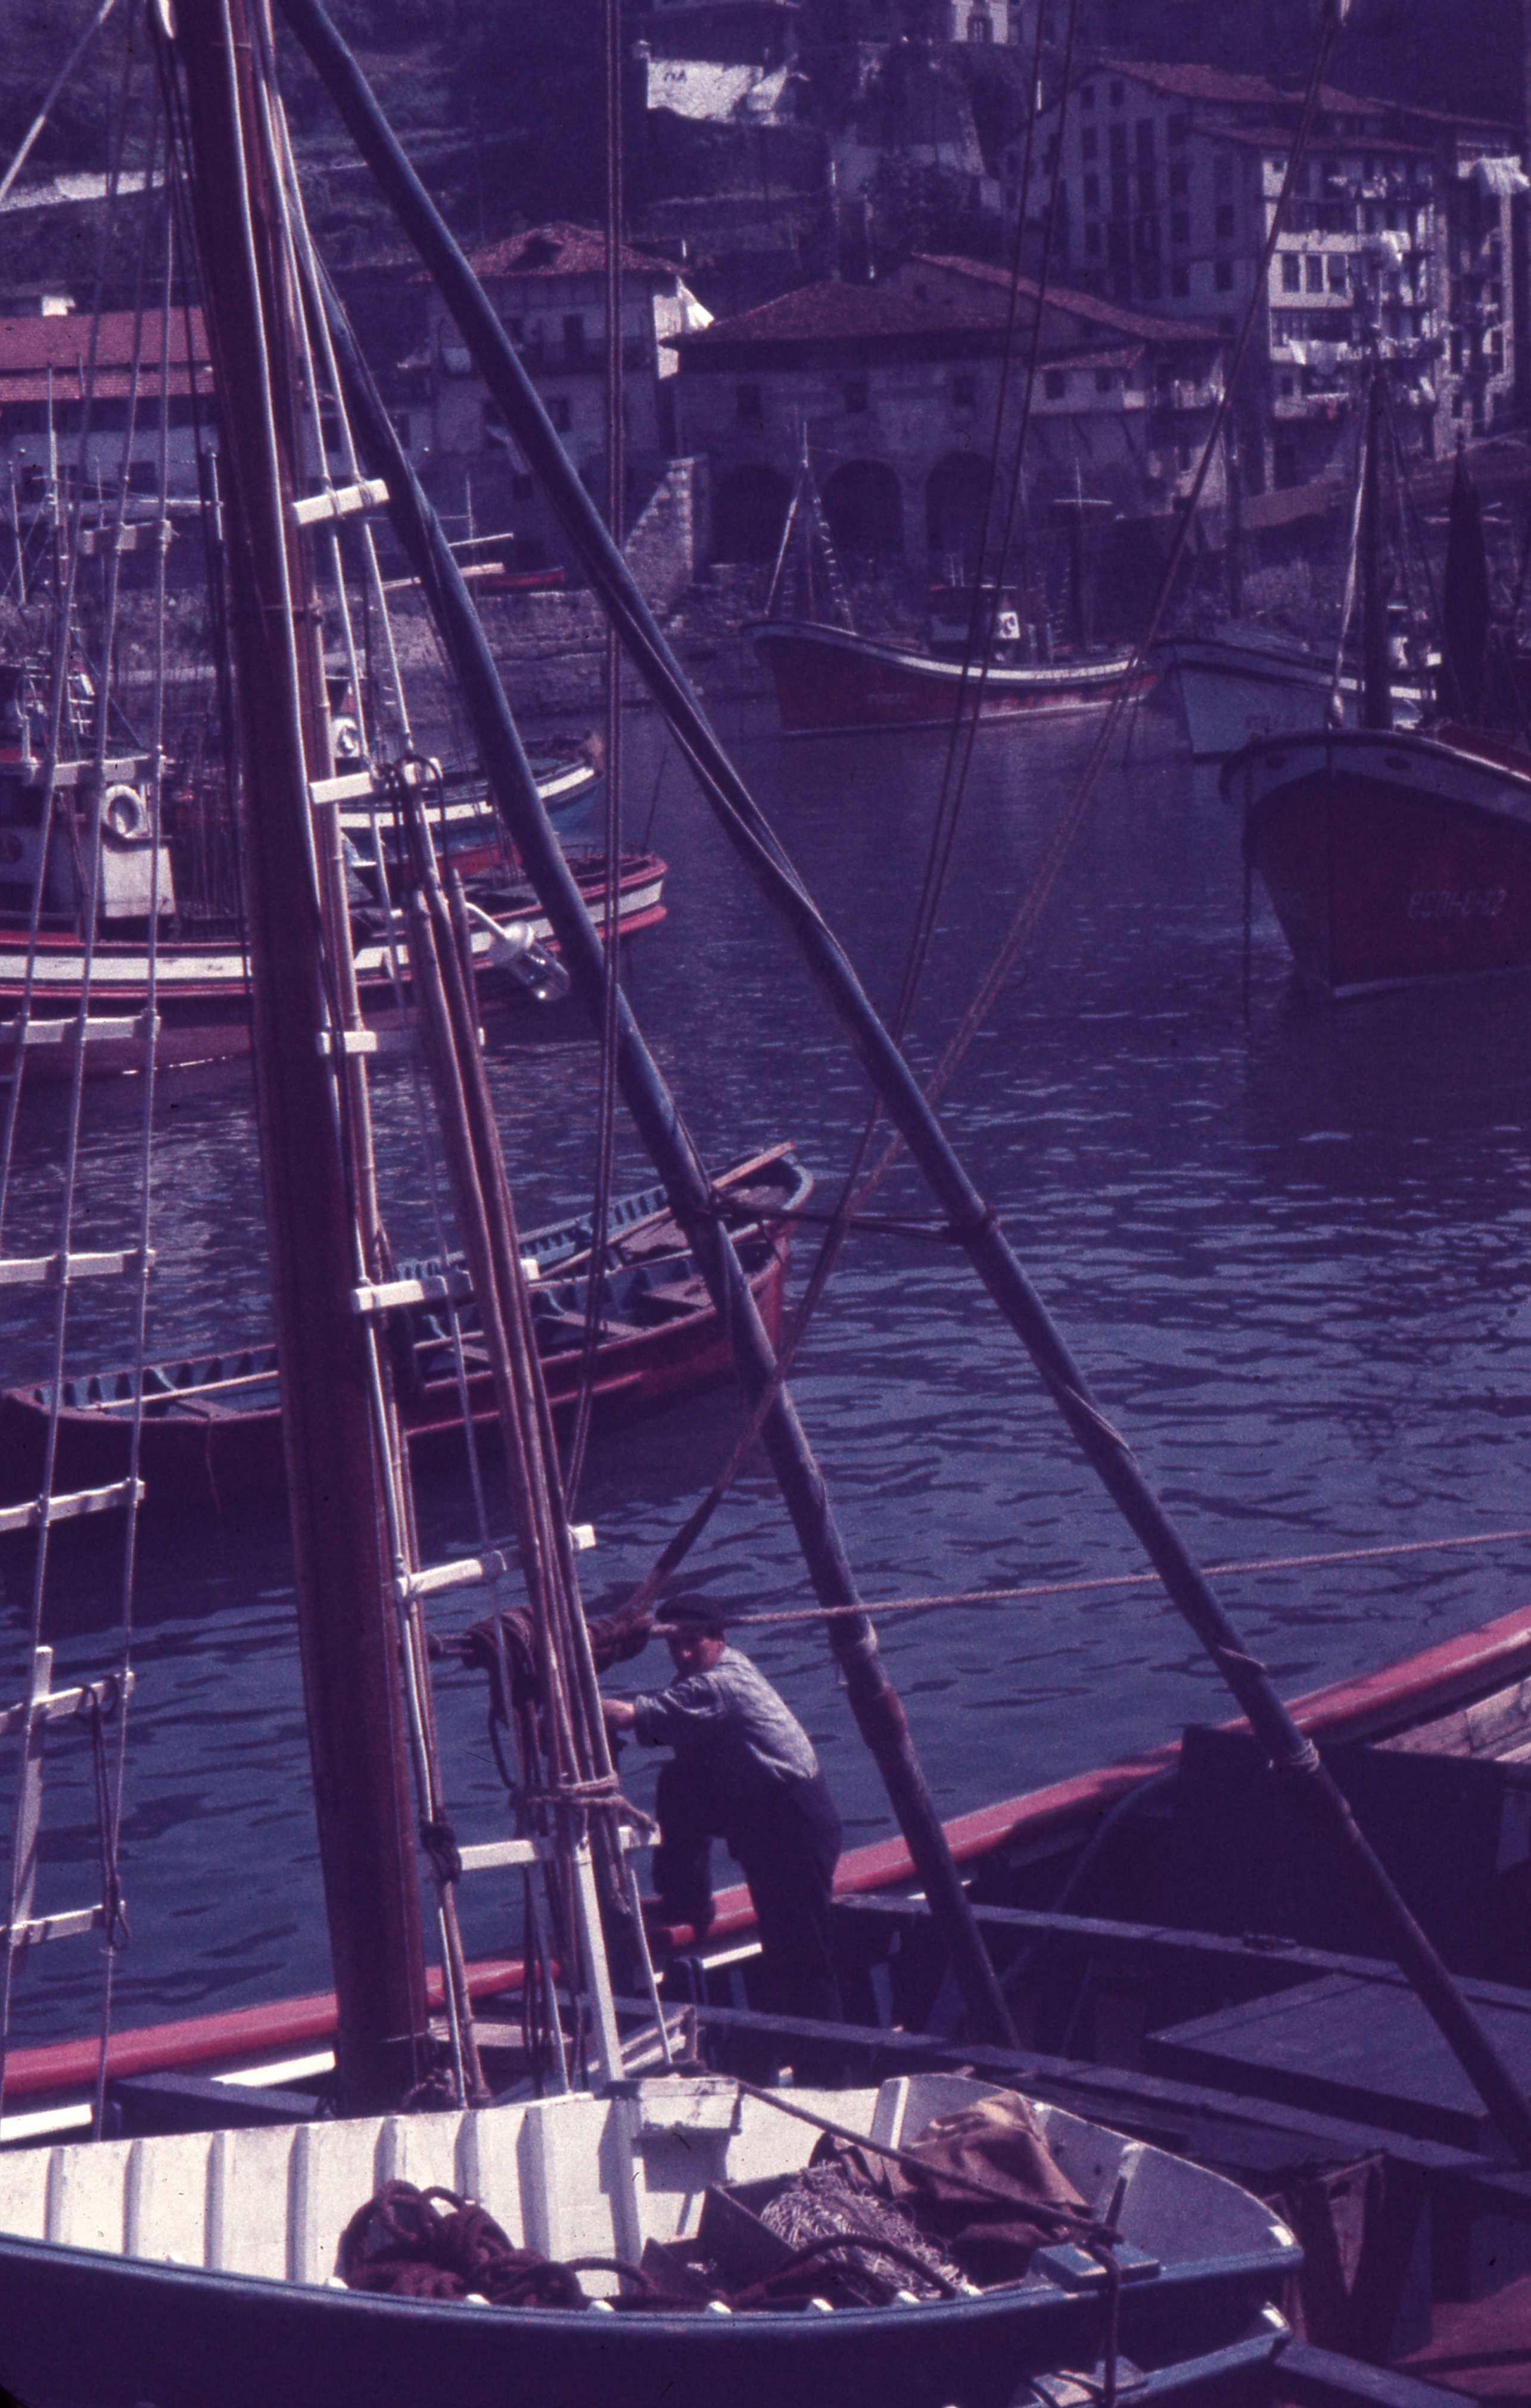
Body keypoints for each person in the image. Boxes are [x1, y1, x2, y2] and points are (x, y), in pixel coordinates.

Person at [601, 1595, 844, 2037]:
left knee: (801, 1957)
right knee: (680, 1784)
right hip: (762, 1816)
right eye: (673, 1644)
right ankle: (686, 1898)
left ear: (719, 1639)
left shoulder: (716, 1686)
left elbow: (628, 1717)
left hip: (793, 1824)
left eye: (692, 1642)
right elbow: (666, 1735)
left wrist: (572, 1700)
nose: (682, 1654)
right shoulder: (715, 1674)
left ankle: (830, 2068)